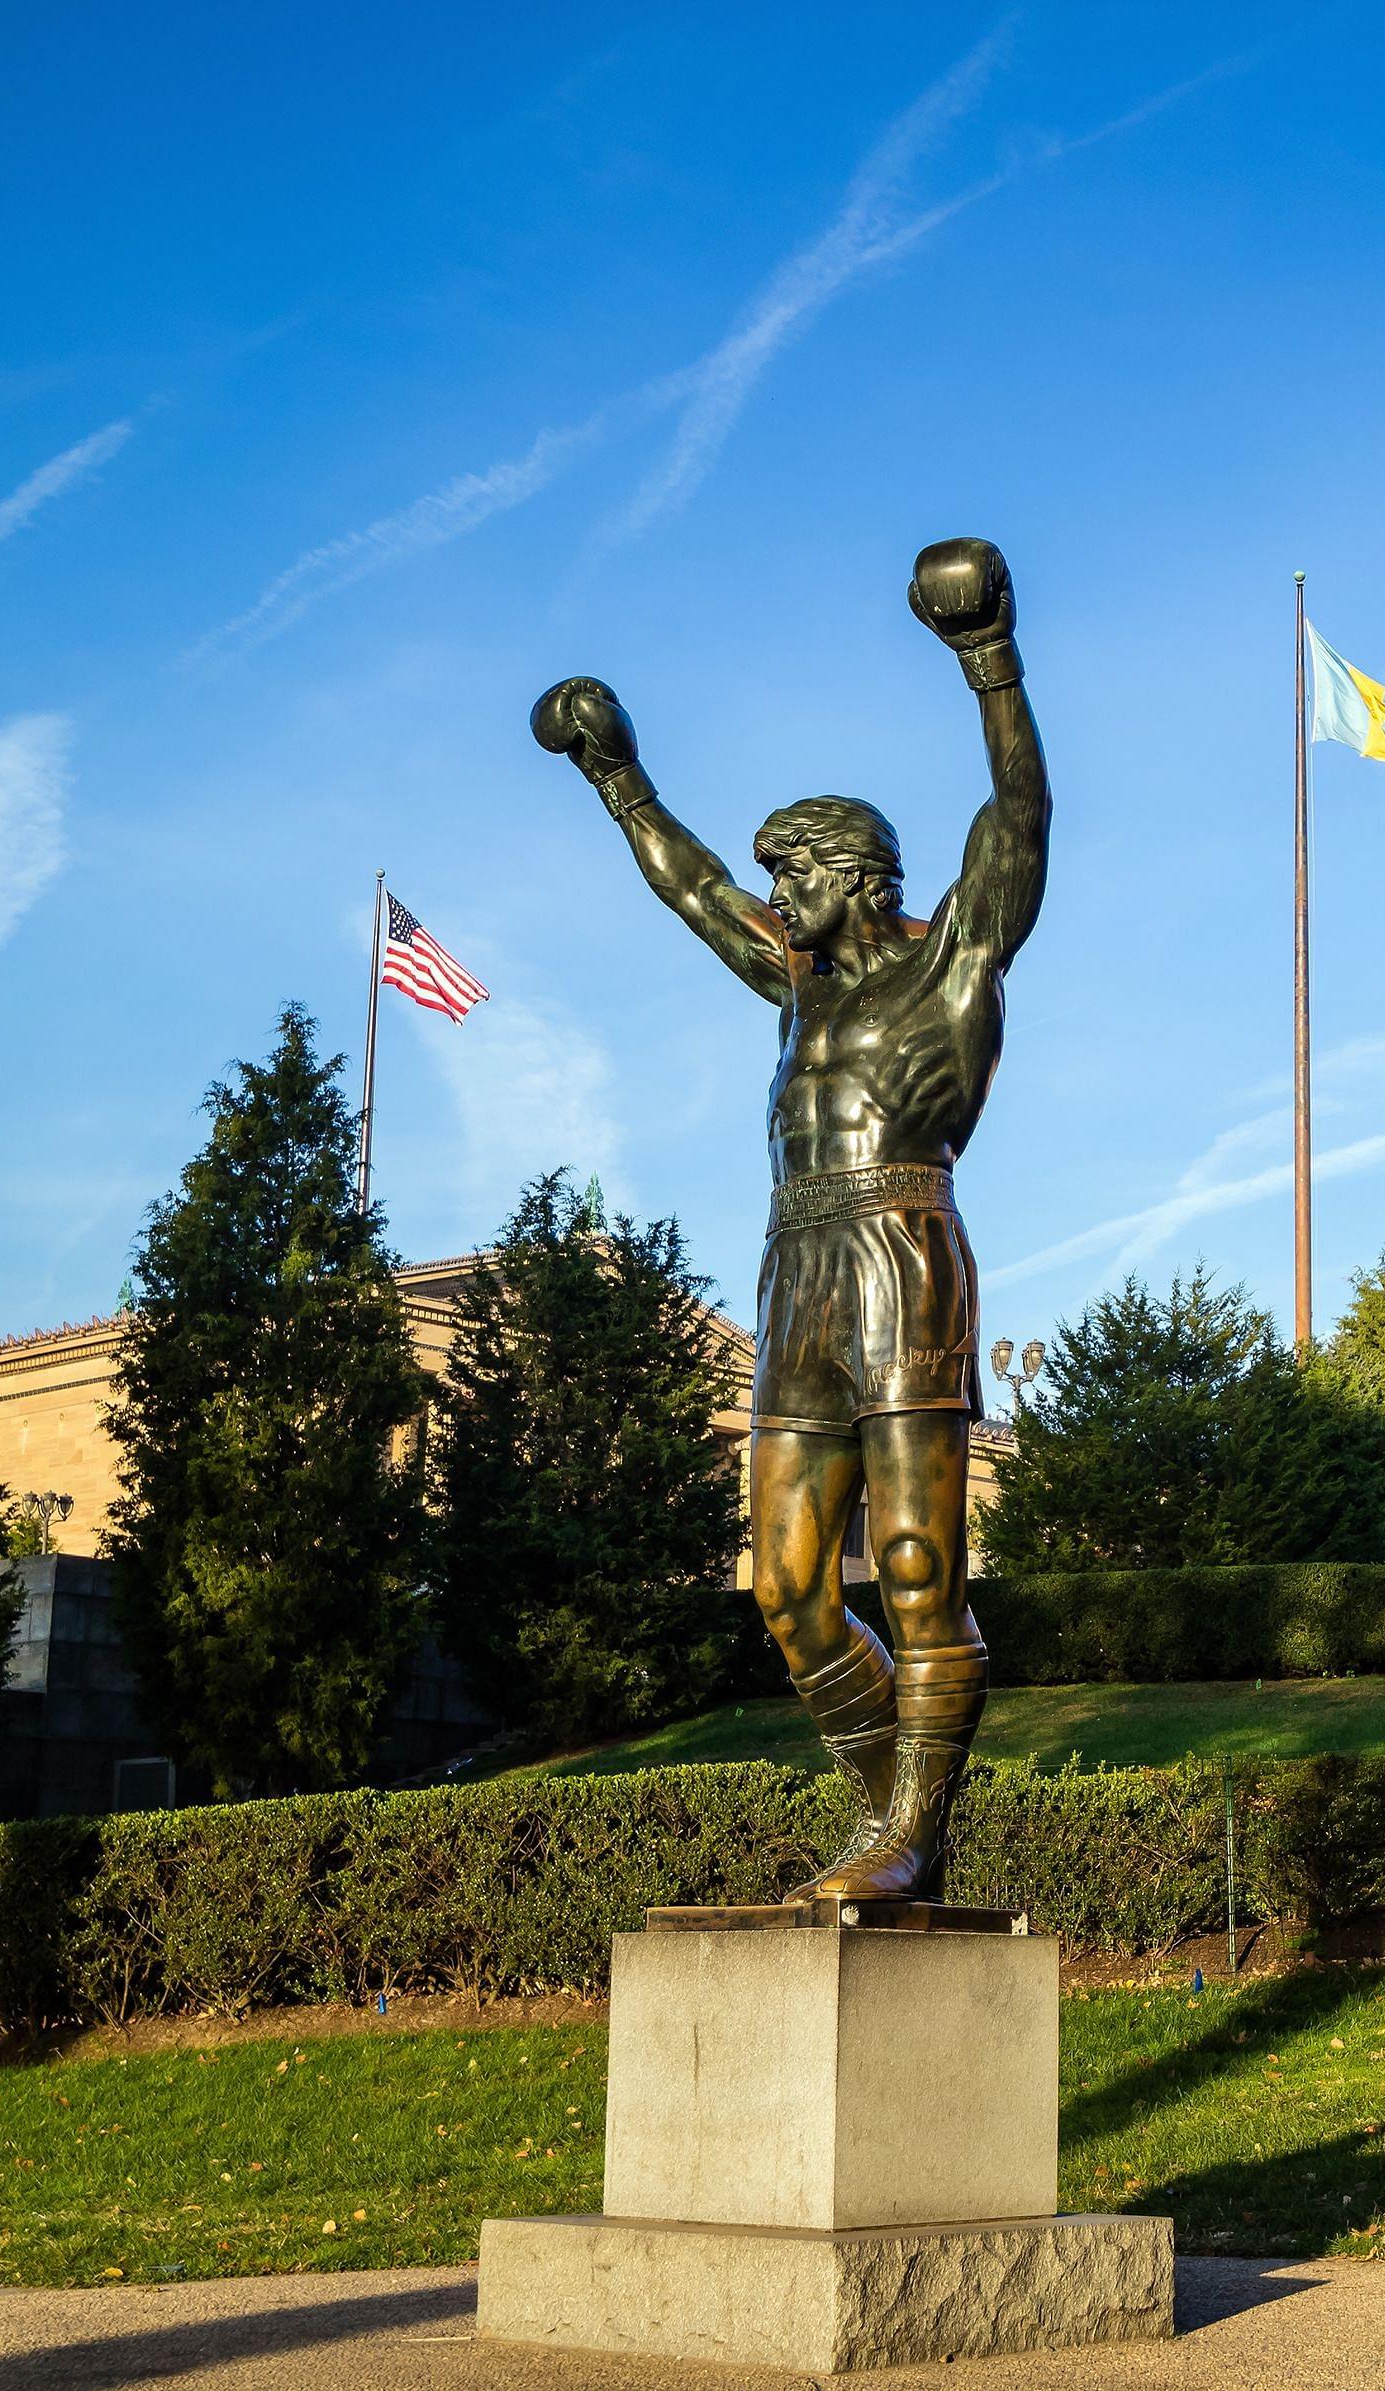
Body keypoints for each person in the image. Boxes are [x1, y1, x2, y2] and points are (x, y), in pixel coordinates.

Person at [531, 538, 1046, 1899]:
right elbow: (691, 886)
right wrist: (615, 772)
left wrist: (987, 654)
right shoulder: (799, 985)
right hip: (795, 1264)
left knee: (922, 1562)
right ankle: (901, 1824)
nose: (775, 896)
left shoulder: (954, 957)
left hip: (901, 1245)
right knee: (787, 1586)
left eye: (794, 873)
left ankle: (908, 1836)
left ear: (854, 871)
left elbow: (1021, 819)